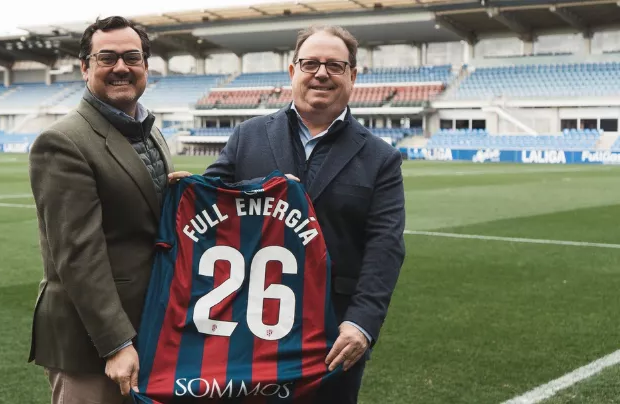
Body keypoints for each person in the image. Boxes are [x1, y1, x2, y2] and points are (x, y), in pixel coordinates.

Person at [203, 25, 406, 403]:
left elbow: (385, 247)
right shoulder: (247, 136)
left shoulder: (381, 158)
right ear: (293, 71)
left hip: (332, 337)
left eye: (335, 65)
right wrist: (187, 191)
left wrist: (362, 323)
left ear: (353, 75)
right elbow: (209, 208)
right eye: (310, 63)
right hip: (245, 328)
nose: (322, 73)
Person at [27, 16, 188, 404]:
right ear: (85, 67)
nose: (121, 67)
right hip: (92, 345)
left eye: (132, 57)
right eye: (107, 58)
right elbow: (78, 255)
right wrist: (115, 343)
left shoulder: (151, 130)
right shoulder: (63, 141)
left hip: (150, 327)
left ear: (146, 67)